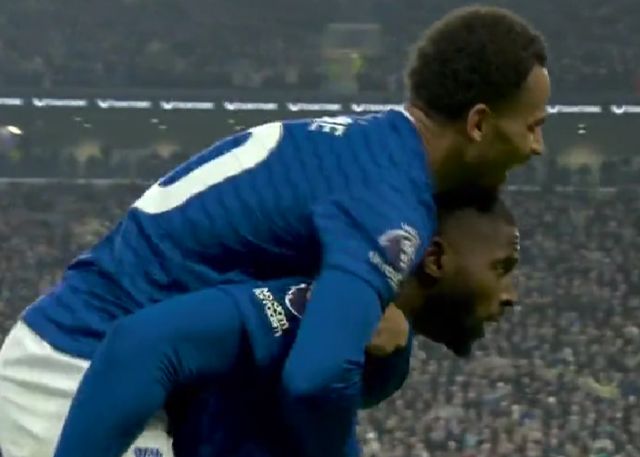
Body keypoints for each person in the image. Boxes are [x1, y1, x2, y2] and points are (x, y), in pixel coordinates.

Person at [0, 5, 547, 457]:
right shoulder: (389, 204)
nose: (536, 147)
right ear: (478, 123)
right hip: (75, 373)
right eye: (532, 126)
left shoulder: (369, 150)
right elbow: (317, 377)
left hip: (104, 365)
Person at [58, 189, 517, 457]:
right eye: (501, 268)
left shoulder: (389, 340)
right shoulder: (315, 301)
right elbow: (142, 341)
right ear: (435, 258)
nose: (511, 294)